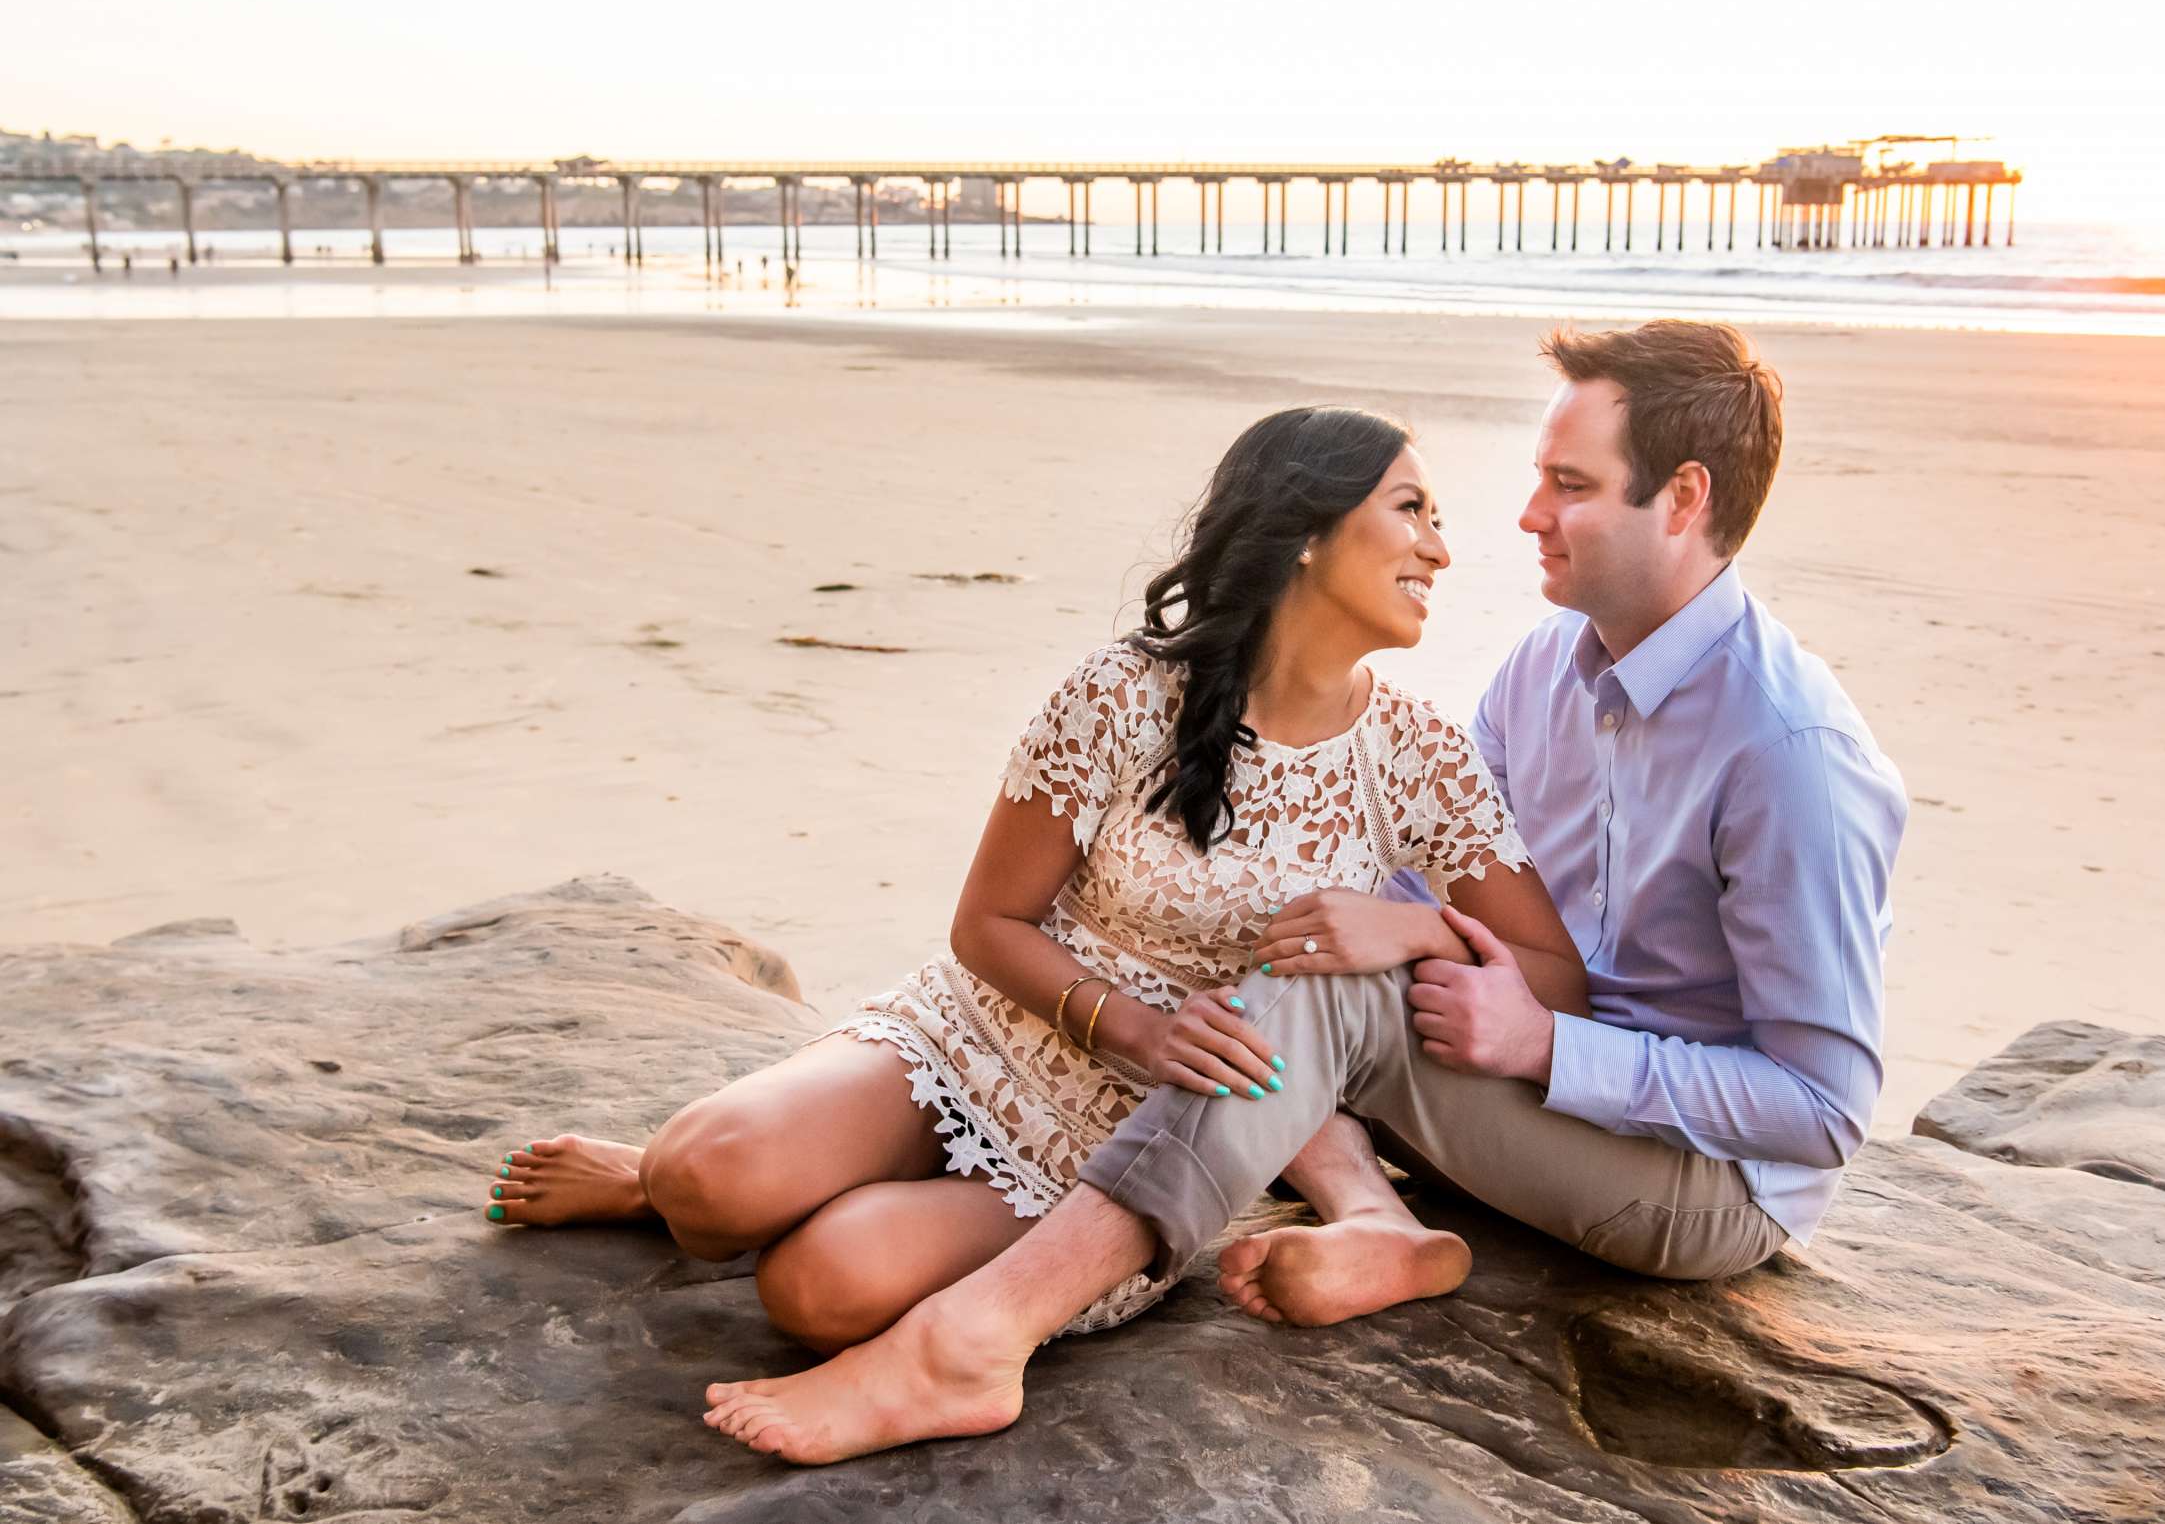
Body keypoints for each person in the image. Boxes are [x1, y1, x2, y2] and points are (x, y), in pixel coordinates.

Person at [695, 318, 1909, 1465]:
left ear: (1684, 498)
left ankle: (976, 1339)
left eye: (1571, 487)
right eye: (1540, 478)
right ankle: (1371, 1221)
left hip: (1695, 1179)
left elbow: (1821, 1109)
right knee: (1313, 975)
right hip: (1501, 1081)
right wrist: (1437, 936)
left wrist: (1551, 1043)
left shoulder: (1791, 756)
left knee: (1312, 999)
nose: (1526, 515)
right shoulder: (1546, 669)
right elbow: (1409, 883)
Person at [483, 405, 1586, 1351]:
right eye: (1413, 510)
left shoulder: (1417, 755)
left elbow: (1558, 980)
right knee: (705, 1176)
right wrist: (1133, 1025)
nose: (1441, 550)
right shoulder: (1120, 695)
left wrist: (1417, 934)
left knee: (818, 1291)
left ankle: (847, 1210)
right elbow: (988, 924)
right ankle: (650, 1183)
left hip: (1145, 1147)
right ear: (1304, 532)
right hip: (989, 1031)